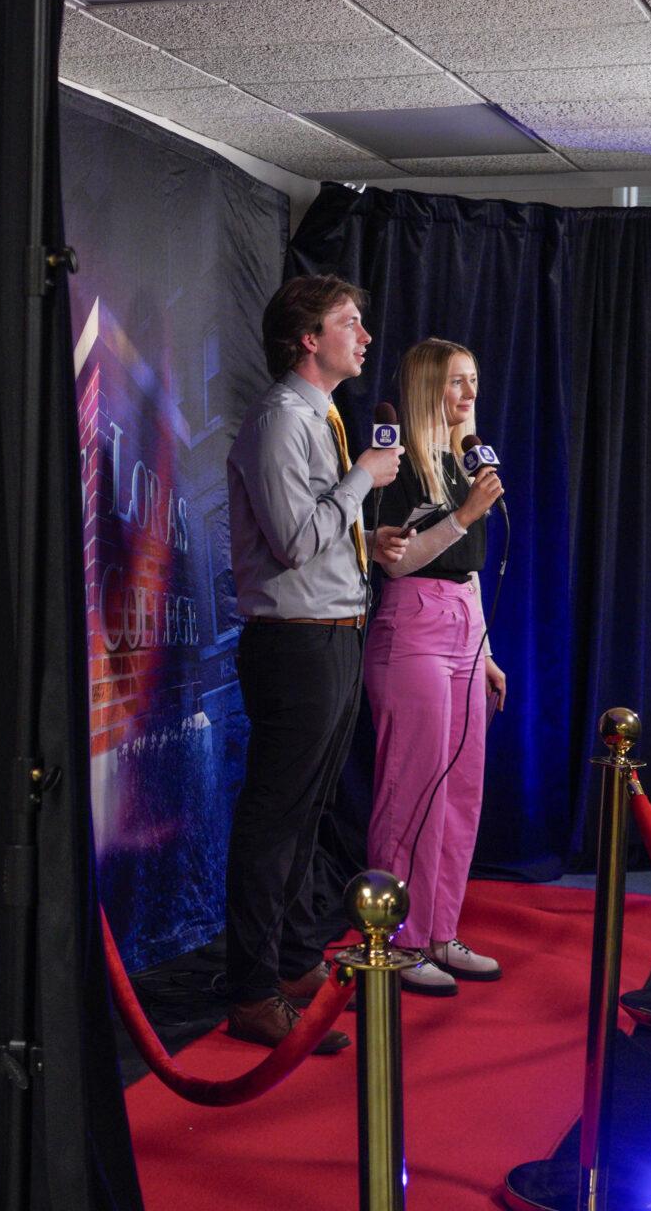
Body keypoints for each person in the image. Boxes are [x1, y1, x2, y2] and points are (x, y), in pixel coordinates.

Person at [220, 274, 399, 1052]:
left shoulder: (318, 416)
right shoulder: (279, 421)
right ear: (307, 338)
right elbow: (293, 541)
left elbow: (319, 534)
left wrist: (372, 542)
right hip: (294, 642)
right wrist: (363, 478)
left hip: (333, 630)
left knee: (308, 814)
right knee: (274, 822)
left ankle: (292, 963)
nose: (363, 336)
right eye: (348, 323)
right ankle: (252, 992)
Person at [363, 339, 508, 995]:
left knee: (461, 787)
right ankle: (396, 937)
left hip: (464, 630)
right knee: (412, 789)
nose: (469, 395)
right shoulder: (403, 467)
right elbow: (394, 559)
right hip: (413, 624)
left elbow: (472, 568)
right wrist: (465, 516)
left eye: (474, 381)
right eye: (456, 383)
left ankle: (441, 931)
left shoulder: (462, 463)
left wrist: (488, 652)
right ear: (428, 389)